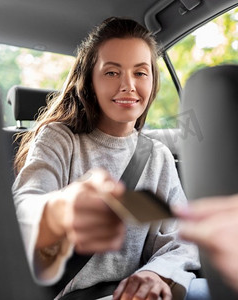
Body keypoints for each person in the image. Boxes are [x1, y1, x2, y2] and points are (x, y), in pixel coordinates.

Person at [12, 17, 200, 300]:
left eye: (140, 73)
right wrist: (60, 211)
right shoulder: (60, 139)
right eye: (112, 73)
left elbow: (181, 240)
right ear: (90, 80)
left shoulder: (157, 156)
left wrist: (156, 273)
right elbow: (24, 206)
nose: (128, 85)